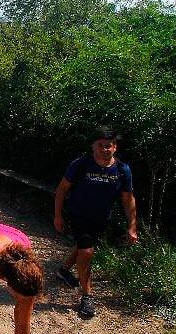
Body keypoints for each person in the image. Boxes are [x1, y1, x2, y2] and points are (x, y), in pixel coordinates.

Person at [53, 126, 138, 318]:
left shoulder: (122, 170)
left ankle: (63, 270)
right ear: (93, 147)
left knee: (84, 246)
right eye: (100, 145)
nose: (104, 149)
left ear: (115, 147)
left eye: (108, 145)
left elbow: (128, 198)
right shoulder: (81, 164)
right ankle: (87, 296)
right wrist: (58, 216)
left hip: (101, 218)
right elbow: (61, 190)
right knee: (87, 251)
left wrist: (132, 226)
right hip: (77, 214)